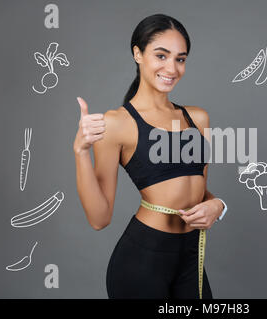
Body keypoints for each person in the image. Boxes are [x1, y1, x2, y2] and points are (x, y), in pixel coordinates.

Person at [73, 13, 227, 299]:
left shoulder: (198, 118)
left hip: (192, 256)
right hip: (142, 260)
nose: (172, 68)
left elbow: (199, 191)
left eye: (180, 59)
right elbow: (99, 218)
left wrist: (218, 206)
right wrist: (80, 151)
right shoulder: (117, 123)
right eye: (161, 55)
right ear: (137, 54)